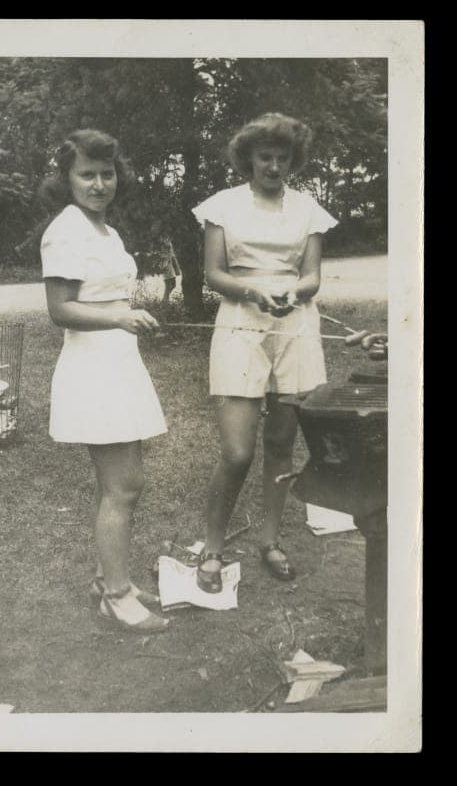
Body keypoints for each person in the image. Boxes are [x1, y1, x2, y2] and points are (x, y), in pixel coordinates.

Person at [192, 113, 338, 592]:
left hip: (294, 325)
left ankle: (271, 541)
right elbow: (214, 274)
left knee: (280, 443)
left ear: (293, 160)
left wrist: (292, 294)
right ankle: (212, 548)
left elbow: (312, 277)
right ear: (248, 159)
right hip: (240, 322)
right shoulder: (222, 206)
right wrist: (254, 292)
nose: (274, 166)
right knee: (236, 451)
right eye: (265, 157)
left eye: (282, 158)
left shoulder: (308, 209)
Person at [39, 129, 170, 633]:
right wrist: (120, 317)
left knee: (115, 483)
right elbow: (60, 310)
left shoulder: (104, 230)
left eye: (106, 173)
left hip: (118, 362)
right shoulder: (66, 230)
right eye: (86, 174)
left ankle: (107, 580)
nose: (98, 183)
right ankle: (116, 596)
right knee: (125, 484)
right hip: (92, 367)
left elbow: (103, 296)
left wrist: (126, 318)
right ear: (66, 179)